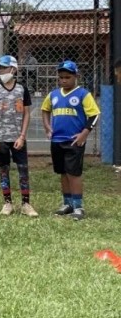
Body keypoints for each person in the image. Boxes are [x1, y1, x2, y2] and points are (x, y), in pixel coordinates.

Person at [41, 60, 100, 221]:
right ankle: (67, 203)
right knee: (62, 172)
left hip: (74, 141)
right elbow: (45, 110)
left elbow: (94, 115)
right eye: (61, 77)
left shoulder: (83, 94)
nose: (64, 80)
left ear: (76, 76)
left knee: (73, 173)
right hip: (57, 140)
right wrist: (47, 127)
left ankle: (78, 205)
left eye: (67, 77)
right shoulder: (53, 94)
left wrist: (84, 134)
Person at [0, 55, 38, 217]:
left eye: (4, 68)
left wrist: (22, 136)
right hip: (1, 139)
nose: (1, 71)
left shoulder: (22, 89)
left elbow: (27, 113)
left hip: (17, 138)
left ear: (13, 69)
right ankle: (7, 203)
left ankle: (26, 203)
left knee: (23, 170)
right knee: (3, 170)